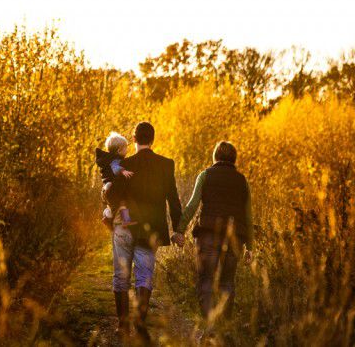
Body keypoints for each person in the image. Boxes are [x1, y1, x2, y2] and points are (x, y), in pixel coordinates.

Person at [113, 121, 184, 339]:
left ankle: (123, 326)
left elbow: (116, 196)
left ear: (134, 139)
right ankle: (140, 323)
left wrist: (123, 217)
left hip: (126, 227)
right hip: (151, 228)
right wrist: (178, 229)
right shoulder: (166, 164)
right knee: (145, 275)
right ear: (152, 140)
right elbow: (173, 199)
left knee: (121, 276)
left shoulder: (125, 164)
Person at [175, 140, 253, 325]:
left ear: (215, 157)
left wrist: (180, 230)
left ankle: (210, 326)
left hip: (208, 235)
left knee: (206, 280)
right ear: (234, 159)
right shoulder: (242, 181)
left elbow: (193, 205)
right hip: (234, 237)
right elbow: (248, 215)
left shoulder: (205, 175)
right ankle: (224, 329)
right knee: (227, 282)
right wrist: (250, 246)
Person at [95, 132, 135, 228]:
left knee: (117, 204)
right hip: (110, 188)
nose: (127, 150)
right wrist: (123, 171)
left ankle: (108, 217)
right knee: (122, 202)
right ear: (119, 150)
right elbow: (115, 167)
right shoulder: (115, 160)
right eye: (125, 148)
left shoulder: (109, 159)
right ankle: (122, 219)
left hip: (106, 189)